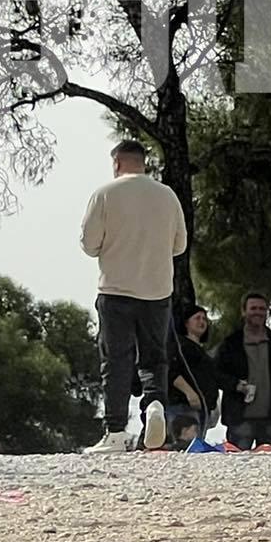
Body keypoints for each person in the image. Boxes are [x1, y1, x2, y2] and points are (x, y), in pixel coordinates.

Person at [78, 138, 187, 454]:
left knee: (116, 360)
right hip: (156, 292)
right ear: (144, 162)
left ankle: (114, 431)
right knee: (155, 358)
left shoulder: (105, 194)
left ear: (116, 163)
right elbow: (179, 246)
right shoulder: (167, 196)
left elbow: (89, 244)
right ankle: (154, 404)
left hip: (116, 290)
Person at [213, 292, 271, 449]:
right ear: (244, 312)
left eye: (262, 309)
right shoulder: (231, 344)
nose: (258, 312)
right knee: (238, 467)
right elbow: (216, 374)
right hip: (240, 419)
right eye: (253, 308)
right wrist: (236, 385)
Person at [166, 305, 220, 438]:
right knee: (184, 449)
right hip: (182, 406)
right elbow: (171, 371)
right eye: (197, 318)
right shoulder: (180, 346)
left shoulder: (202, 351)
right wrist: (189, 392)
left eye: (204, 319)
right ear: (186, 323)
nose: (201, 322)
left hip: (201, 410)